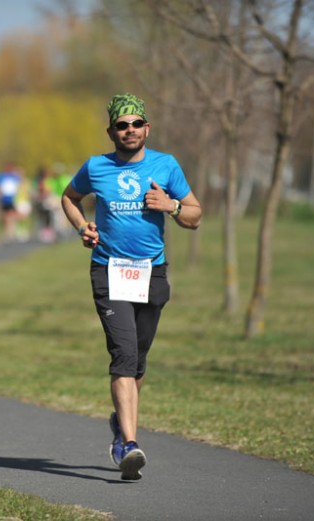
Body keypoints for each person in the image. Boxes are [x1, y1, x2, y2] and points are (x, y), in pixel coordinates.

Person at [61, 93, 202, 481]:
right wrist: (82, 227)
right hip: (108, 270)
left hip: (151, 273)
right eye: (122, 125)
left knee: (137, 362)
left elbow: (195, 215)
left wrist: (170, 206)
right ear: (111, 131)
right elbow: (69, 198)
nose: (129, 130)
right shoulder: (96, 167)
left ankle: (120, 422)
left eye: (136, 123)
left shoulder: (166, 165)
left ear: (147, 128)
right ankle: (128, 444)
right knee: (123, 356)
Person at [0, 161, 23, 243]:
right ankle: (7, 233)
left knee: (12, 215)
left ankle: (11, 233)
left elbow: (20, 185)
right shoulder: (0, 176)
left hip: (13, 199)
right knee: (5, 217)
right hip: (4, 199)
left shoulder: (15, 176)